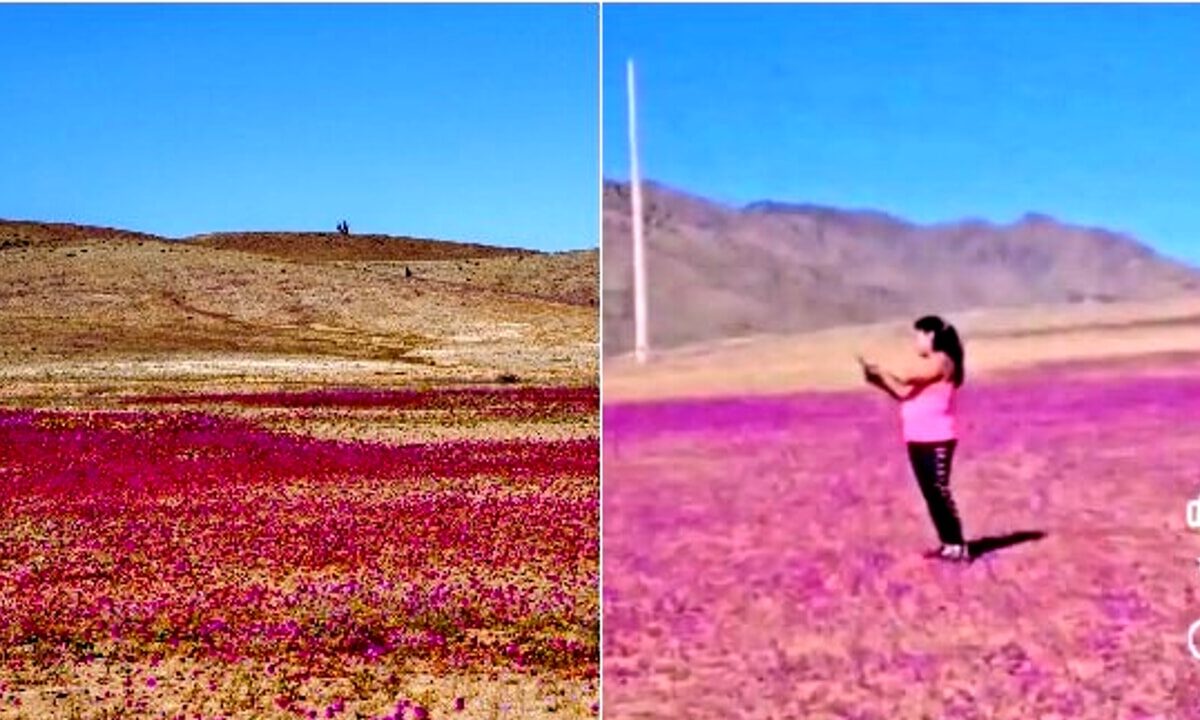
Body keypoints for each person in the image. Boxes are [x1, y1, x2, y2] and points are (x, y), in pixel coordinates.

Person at [860, 315, 969, 563]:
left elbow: (907, 376)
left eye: (919, 335)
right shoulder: (928, 365)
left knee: (939, 491)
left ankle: (958, 544)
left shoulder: (942, 362)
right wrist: (878, 379)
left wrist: (883, 366)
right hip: (917, 437)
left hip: (937, 438)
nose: (916, 341)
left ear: (931, 336)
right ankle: (947, 544)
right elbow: (902, 392)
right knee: (930, 493)